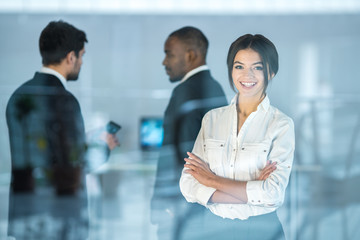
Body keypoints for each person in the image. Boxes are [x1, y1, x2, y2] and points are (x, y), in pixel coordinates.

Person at [5, 20, 118, 240]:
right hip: (59, 218)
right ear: (70, 57)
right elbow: (75, 164)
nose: (82, 63)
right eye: (81, 55)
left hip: (25, 213)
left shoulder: (18, 97)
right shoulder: (64, 100)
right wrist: (103, 147)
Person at [180, 34, 295, 240]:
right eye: (239, 66)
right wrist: (249, 194)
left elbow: (272, 194)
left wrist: (211, 179)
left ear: (271, 72)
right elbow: (188, 183)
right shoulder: (212, 119)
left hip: (263, 231)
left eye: (257, 67)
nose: (247, 75)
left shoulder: (281, 124)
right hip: (212, 229)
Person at [151, 26, 227, 240]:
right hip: (207, 206)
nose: (164, 62)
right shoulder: (216, 88)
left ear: (191, 55)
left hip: (182, 208)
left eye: (169, 54)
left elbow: (184, 158)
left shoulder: (185, 93)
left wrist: (165, 205)